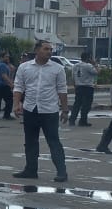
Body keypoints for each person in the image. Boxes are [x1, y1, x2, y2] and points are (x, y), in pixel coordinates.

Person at [12, 39, 69, 182]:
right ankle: (31, 170)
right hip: (30, 109)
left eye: (50, 50)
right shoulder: (24, 67)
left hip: (49, 111)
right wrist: (16, 104)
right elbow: (18, 87)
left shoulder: (58, 69)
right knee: (30, 142)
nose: (49, 52)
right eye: (46, 49)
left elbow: (62, 90)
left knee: (53, 141)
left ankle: (62, 172)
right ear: (37, 50)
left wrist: (65, 110)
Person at [68, 51, 96, 127]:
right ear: (88, 58)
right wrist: (94, 64)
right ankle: (83, 121)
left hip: (78, 86)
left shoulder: (75, 66)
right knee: (86, 105)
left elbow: (73, 77)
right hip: (88, 87)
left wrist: (75, 85)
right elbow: (97, 72)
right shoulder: (89, 66)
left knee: (77, 104)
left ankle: (72, 120)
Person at [0, 52, 14, 121]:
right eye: (6, 57)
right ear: (2, 57)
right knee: (9, 100)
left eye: (8, 57)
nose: (8, 58)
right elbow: (4, 76)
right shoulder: (3, 65)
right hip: (3, 85)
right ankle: (7, 115)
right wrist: (11, 84)